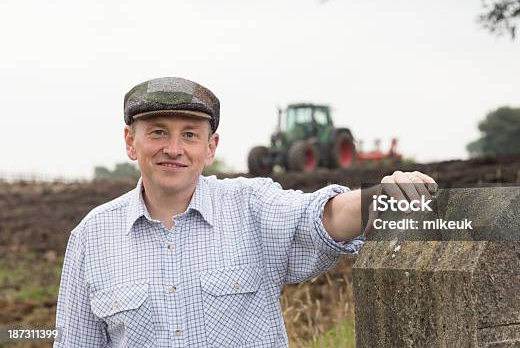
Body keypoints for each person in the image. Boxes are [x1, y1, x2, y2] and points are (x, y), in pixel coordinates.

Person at [53, 77, 436, 347]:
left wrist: (380, 198)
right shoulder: (92, 237)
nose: (174, 148)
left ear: (210, 146)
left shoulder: (251, 206)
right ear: (130, 142)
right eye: (157, 132)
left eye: (190, 134)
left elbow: (323, 218)